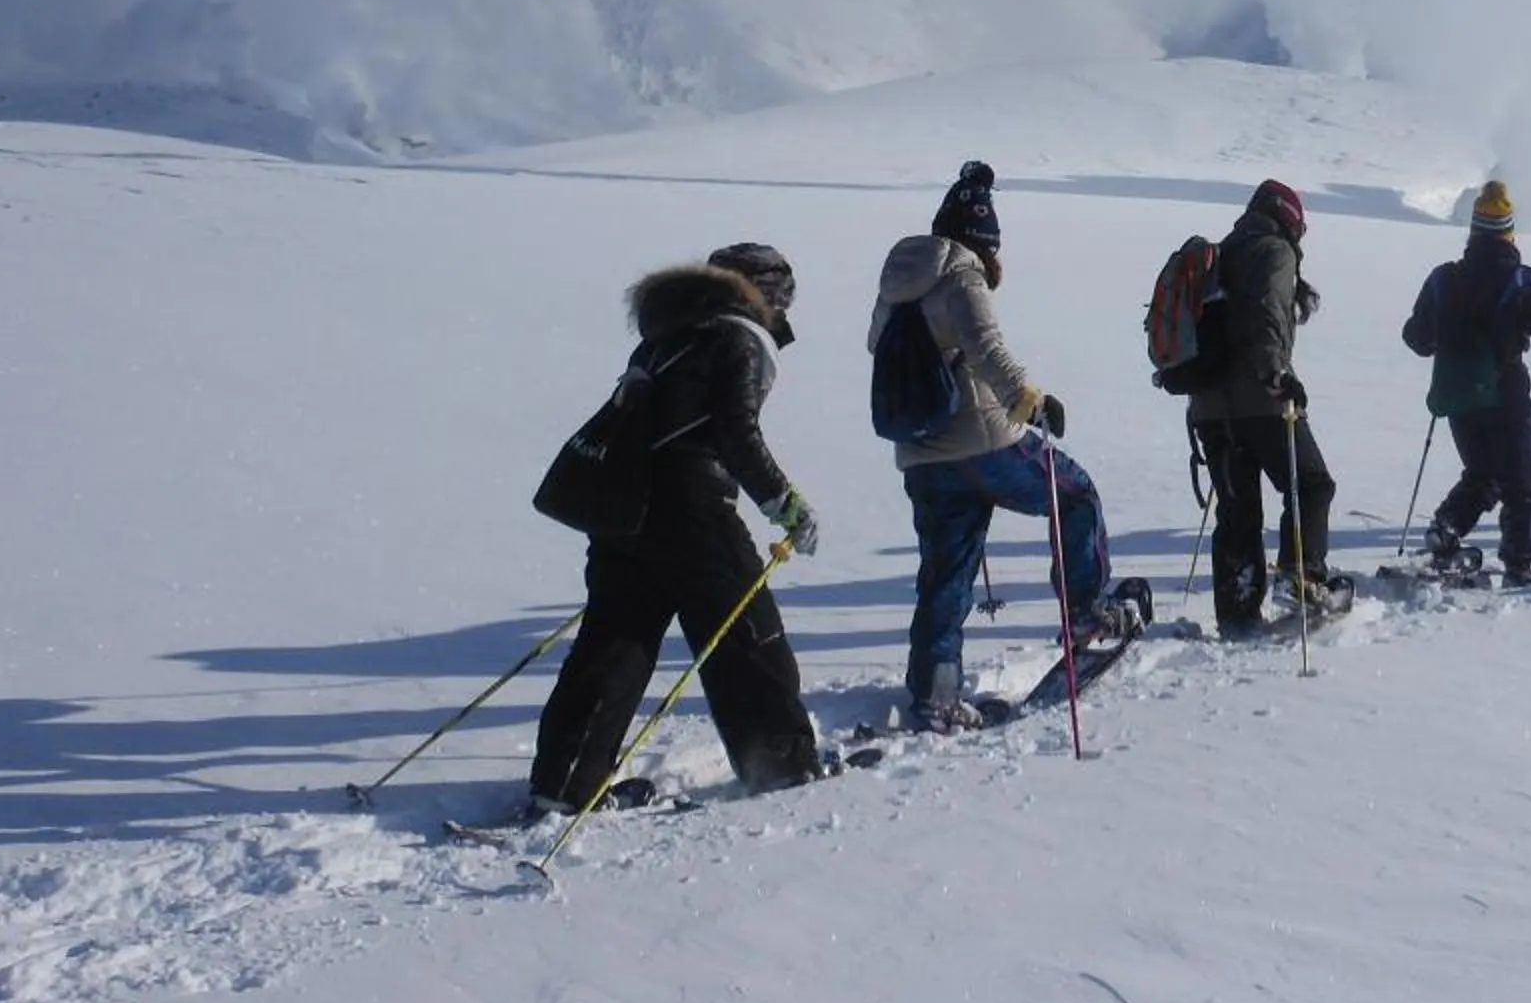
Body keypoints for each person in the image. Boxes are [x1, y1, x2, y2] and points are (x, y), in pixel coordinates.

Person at [526, 243, 828, 813]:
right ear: (765, 295)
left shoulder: (667, 334)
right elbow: (734, 431)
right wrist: (785, 504)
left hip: (623, 510)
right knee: (747, 633)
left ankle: (563, 786)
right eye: (783, 302)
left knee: (614, 645)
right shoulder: (739, 336)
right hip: (692, 508)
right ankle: (784, 767)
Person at [870, 160, 1139, 731]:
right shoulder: (962, 276)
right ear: (985, 240)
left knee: (946, 570)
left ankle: (936, 693)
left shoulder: (896, 284)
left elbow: (879, 347)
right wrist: (1032, 402)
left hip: (921, 454)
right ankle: (1088, 612)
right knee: (1076, 494)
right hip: (986, 441)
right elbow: (989, 349)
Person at [1400, 179, 1531, 588]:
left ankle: (1446, 529)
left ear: (1474, 230)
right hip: (1505, 390)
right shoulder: (1523, 281)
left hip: (1456, 393)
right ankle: (1520, 562)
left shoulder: (1442, 279)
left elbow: (1416, 338)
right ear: (1510, 232)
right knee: (1520, 479)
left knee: (1483, 472)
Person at [1187, 178, 1341, 632]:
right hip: (1262, 399)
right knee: (1312, 484)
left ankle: (1237, 609)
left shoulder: (1220, 253)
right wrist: (1278, 373)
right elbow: (1267, 314)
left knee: (1238, 511)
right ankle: (1301, 578)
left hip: (1210, 410)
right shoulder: (1273, 252)